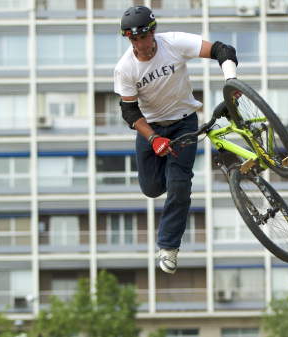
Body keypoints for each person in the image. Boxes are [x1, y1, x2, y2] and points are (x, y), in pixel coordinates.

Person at [114, 5, 238, 274]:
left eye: (144, 37)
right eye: (133, 40)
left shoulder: (174, 43)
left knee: (179, 185)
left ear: (153, 31)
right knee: (151, 188)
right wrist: (154, 139)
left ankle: (168, 246)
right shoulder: (126, 68)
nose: (140, 45)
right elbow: (129, 111)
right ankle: (161, 171)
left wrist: (232, 85)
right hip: (151, 129)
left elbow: (222, 50)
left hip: (183, 123)